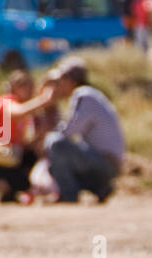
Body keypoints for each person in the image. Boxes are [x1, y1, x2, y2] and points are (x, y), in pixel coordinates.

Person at [43, 57, 126, 203]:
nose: (59, 86)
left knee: (54, 143)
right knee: (57, 160)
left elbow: (68, 132)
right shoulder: (90, 95)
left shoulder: (83, 95)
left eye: (61, 81)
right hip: (106, 162)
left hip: (105, 164)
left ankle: (68, 195)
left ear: (70, 80)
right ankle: (100, 188)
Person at [0, 70, 51, 202]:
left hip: (4, 157)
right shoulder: (7, 101)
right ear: (16, 87)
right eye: (27, 87)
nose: (31, 91)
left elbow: (22, 143)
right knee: (22, 178)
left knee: (29, 158)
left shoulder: (19, 109)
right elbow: (19, 111)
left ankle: (6, 190)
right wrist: (44, 100)